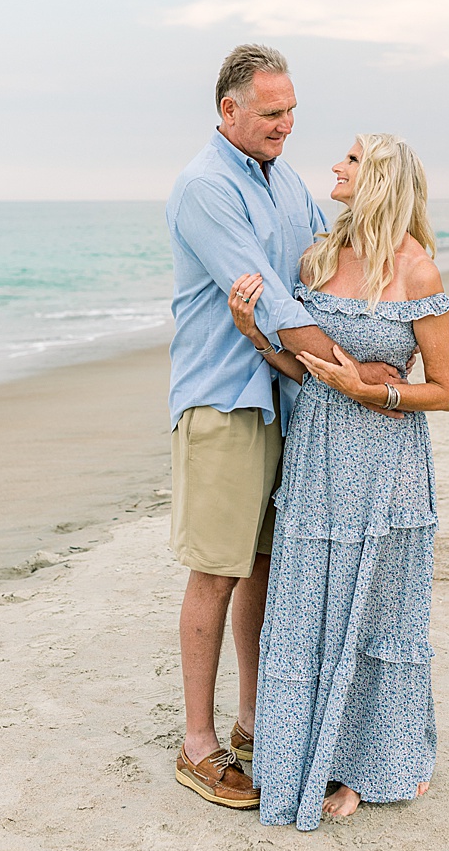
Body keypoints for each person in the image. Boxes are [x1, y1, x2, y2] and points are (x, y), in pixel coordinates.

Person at [164, 44, 406, 810]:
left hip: (290, 395)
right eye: (271, 113)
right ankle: (198, 746)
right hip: (226, 399)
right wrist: (357, 374)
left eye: (292, 110)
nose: (286, 124)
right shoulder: (205, 187)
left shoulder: (285, 181)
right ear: (228, 111)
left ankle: (253, 724)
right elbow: (271, 298)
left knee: (267, 567)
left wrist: (401, 282)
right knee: (218, 568)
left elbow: (317, 267)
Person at [227, 133, 449, 829]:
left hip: (387, 468)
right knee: (305, 612)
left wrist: (376, 394)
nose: (336, 165)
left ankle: (366, 768)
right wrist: (256, 335)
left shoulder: (419, 271)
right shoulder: (319, 258)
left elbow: (447, 391)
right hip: (318, 458)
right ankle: (306, 754)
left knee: (376, 614)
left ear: (382, 179)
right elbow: (310, 371)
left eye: (352, 159)